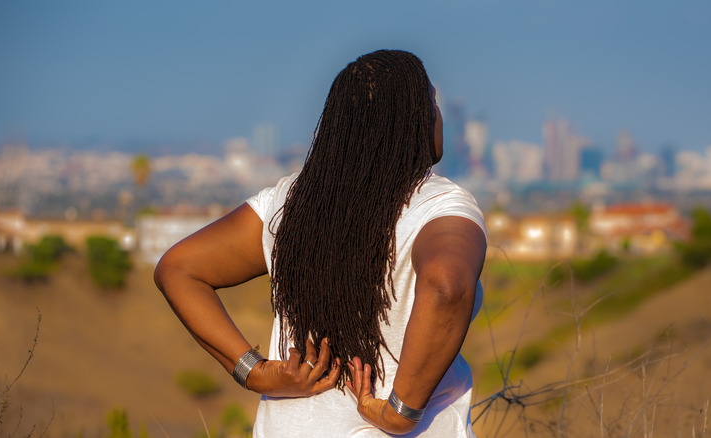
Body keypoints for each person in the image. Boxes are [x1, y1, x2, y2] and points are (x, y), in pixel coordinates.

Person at [154, 49, 487, 437]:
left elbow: (178, 268)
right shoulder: (438, 205)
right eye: (432, 102)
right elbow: (447, 285)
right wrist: (401, 412)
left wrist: (255, 372)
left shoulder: (289, 201)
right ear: (417, 118)